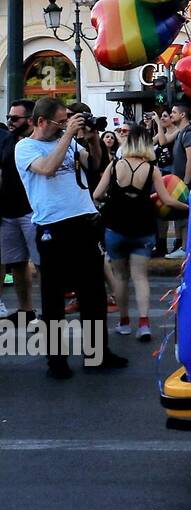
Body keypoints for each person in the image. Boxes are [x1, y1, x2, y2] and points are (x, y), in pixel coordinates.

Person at [15, 98, 125, 378]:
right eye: (60, 120)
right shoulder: (26, 147)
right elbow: (48, 168)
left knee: (93, 293)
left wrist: (94, 139)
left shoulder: (67, 141)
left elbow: (95, 164)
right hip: (53, 226)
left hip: (84, 222)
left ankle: (97, 354)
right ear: (41, 122)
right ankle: (57, 362)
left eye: (67, 119)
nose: (65, 124)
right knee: (53, 297)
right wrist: (67, 134)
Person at [94, 123, 188, 342]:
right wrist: (190, 206)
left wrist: (110, 202)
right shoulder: (152, 169)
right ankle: (144, 323)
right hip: (143, 227)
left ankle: (124, 322)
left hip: (116, 226)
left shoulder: (115, 165)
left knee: (120, 277)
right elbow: (166, 200)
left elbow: (98, 194)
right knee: (140, 277)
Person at [0, 100, 38, 326]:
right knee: (16, 264)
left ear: (31, 120)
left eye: (15, 118)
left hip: (32, 211)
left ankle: (49, 312)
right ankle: (26, 310)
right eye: (9, 118)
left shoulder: (39, 143)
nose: (10, 122)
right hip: (8, 212)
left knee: (42, 264)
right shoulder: (8, 141)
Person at [155, 103, 191, 259]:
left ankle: (186, 248)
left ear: (182, 115)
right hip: (178, 181)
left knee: (185, 216)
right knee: (180, 217)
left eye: (173, 112)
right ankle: (182, 246)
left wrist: (186, 183)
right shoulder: (180, 134)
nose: (170, 114)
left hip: (185, 183)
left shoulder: (189, 134)